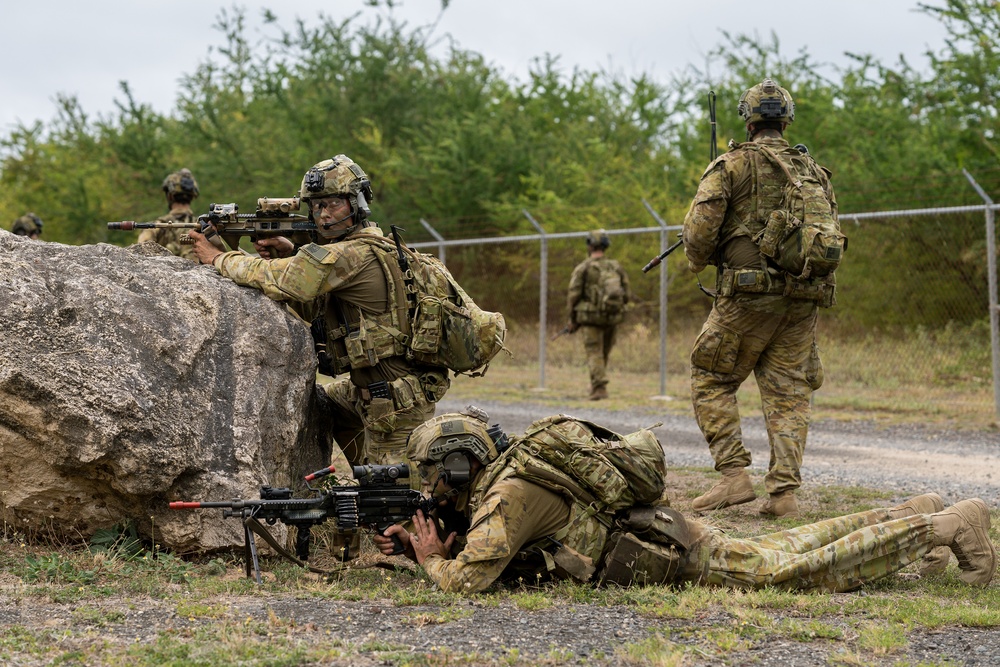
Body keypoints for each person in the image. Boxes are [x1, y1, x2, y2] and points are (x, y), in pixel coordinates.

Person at [374, 410, 996, 594]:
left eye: (435, 473)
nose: (431, 487)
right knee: (792, 544)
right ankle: (913, 510)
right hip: (667, 535)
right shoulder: (509, 479)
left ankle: (941, 526)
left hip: (672, 552)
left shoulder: (506, 495)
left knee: (797, 569)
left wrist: (430, 558)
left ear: (460, 464)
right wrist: (425, 543)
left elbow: (466, 582)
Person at [187, 155, 451, 470]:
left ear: (357, 203)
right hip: (373, 392)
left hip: (395, 403)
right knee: (324, 403)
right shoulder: (367, 247)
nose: (323, 215)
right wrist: (289, 254)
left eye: (333, 204)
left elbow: (281, 281)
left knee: (394, 502)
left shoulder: (351, 254)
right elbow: (316, 308)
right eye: (316, 206)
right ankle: (361, 473)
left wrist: (218, 257)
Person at [681, 78, 841, 518]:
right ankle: (783, 494)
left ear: (748, 120)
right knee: (789, 394)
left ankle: (734, 478)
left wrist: (706, 257)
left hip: (747, 299)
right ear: (786, 120)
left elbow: (697, 237)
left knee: (710, 377)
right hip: (802, 300)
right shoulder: (815, 172)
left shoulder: (729, 165)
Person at [565, 230, 631, 400]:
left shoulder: (583, 268)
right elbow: (627, 293)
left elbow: (573, 295)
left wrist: (572, 319)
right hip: (612, 317)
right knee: (604, 353)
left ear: (589, 246)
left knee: (594, 352)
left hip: (590, 319)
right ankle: (596, 385)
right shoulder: (615, 266)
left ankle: (599, 388)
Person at [138, 168, 217, 260]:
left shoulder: (154, 227)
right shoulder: (206, 227)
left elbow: (140, 254)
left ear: (170, 196)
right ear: (192, 196)